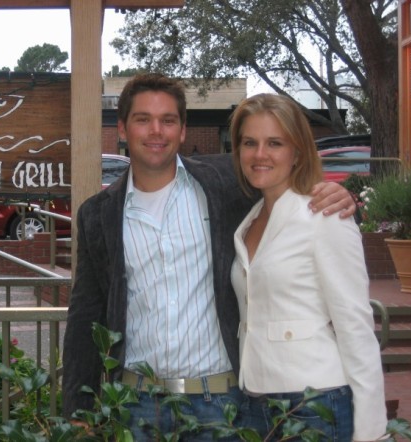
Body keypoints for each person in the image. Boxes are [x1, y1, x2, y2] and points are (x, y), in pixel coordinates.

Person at [62, 73, 356, 440]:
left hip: (221, 405)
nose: (156, 131)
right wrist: (78, 412)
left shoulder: (226, 184)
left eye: (168, 120)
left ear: (183, 130)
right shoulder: (97, 214)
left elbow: (279, 178)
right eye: (143, 119)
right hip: (136, 407)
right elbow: (85, 316)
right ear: (122, 128)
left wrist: (329, 192)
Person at [229, 93, 387, 441]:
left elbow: (355, 326)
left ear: (298, 152)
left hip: (314, 402)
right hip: (254, 402)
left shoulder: (324, 217)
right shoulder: (248, 221)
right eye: (249, 142)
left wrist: (371, 432)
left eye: (275, 143)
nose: (259, 154)